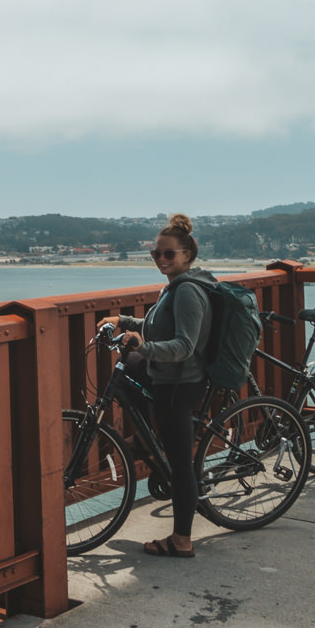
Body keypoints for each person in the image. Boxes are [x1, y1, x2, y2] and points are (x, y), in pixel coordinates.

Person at [97, 213, 217, 558]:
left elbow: (183, 346)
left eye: (169, 254)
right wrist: (124, 320)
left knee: (181, 464)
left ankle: (182, 540)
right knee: (131, 367)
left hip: (182, 381)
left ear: (187, 254)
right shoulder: (175, 286)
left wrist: (142, 344)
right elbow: (158, 325)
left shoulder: (188, 292)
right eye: (156, 255)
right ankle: (149, 439)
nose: (161, 260)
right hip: (166, 376)